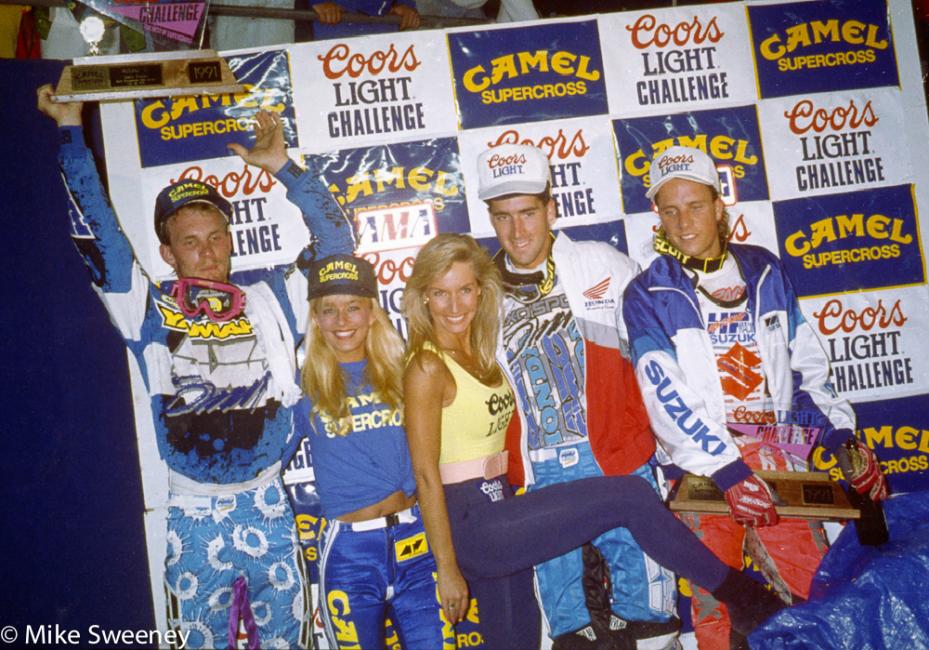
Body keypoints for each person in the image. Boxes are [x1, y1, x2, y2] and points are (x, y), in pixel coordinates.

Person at [37, 87, 354, 649]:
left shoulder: (271, 300)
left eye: (215, 238)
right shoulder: (148, 308)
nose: (207, 253)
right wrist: (70, 131)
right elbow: (101, 238)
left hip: (269, 508)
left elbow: (337, 246)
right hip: (191, 513)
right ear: (168, 253)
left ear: (231, 240)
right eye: (190, 242)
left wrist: (283, 167)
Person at [402, 233, 791, 650]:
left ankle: (745, 600)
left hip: (503, 508)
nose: (455, 306)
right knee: (628, 497)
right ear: (423, 298)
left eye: (465, 290)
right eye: (440, 294)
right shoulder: (426, 365)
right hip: (473, 524)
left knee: (514, 643)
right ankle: (745, 597)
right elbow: (425, 475)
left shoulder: (482, 349)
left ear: (482, 289)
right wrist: (446, 566)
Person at [622, 145, 890, 649]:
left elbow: (806, 364)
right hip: (703, 468)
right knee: (716, 605)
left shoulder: (764, 270)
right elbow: (665, 396)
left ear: (719, 205)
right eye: (670, 210)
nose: (683, 222)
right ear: (656, 215)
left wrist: (841, 437)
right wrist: (727, 469)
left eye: (695, 205)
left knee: (813, 591)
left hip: (776, 452)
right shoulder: (647, 293)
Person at [477, 142, 678, 649]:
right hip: (539, 469)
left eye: (528, 213)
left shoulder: (603, 264)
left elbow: (657, 363)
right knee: (570, 626)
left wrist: (656, 442)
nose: (518, 231)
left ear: (552, 209)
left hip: (615, 457)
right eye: (503, 217)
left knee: (652, 610)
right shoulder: (476, 294)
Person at [294, 252, 448, 649]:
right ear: (315, 318)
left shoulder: (405, 371)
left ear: (372, 313)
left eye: (353, 308)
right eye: (329, 310)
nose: (342, 322)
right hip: (349, 554)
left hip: (417, 541)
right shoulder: (300, 385)